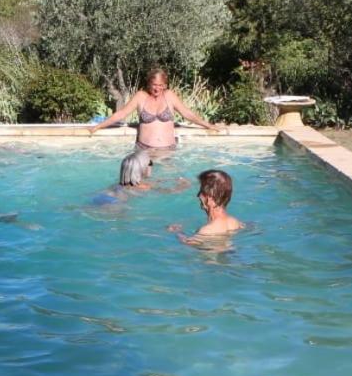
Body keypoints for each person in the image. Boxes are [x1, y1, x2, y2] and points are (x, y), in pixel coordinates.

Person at [87, 68, 222, 150]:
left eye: (160, 85)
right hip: (144, 150)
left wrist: (208, 125)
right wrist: (98, 126)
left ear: (165, 85)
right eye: (154, 85)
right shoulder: (141, 96)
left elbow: (187, 113)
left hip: (168, 150)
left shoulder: (169, 96)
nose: (157, 88)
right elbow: (121, 113)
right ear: (149, 84)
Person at [169, 169, 244, 244]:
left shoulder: (206, 231)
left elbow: (188, 243)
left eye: (201, 191)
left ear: (209, 198)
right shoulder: (236, 222)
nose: (198, 195)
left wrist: (177, 232)